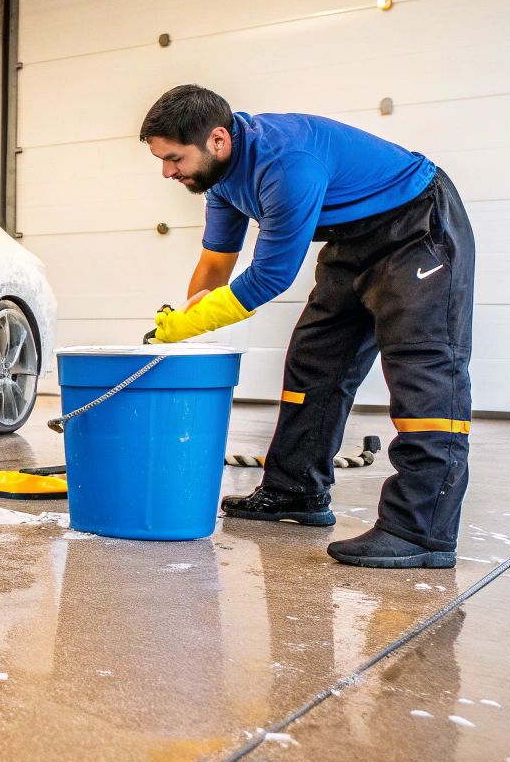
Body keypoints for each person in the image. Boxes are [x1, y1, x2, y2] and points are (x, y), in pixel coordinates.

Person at [139, 85, 474, 569]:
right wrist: (177, 328)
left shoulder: (286, 163)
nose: (168, 171)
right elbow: (215, 269)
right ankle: (295, 491)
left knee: (424, 369)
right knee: (315, 361)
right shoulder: (221, 180)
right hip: (353, 238)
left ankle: (421, 531)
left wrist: (184, 328)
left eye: (173, 158)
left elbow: (270, 276)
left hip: (416, 226)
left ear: (216, 139)